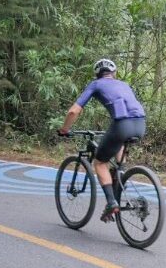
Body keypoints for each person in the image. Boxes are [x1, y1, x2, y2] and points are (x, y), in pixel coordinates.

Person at [58, 58, 146, 222]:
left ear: (98, 74)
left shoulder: (96, 84)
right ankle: (121, 173)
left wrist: (65, 129)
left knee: (99, 162)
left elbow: (73, 111)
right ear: (114, 73)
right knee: (118, 143)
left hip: (122, 125)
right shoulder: (124, 84)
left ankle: (111, 202)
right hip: (141, 124)